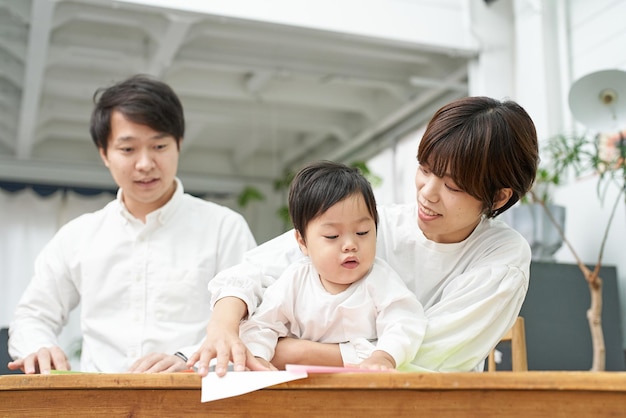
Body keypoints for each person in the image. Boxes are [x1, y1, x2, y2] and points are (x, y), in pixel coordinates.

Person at [189, 95, 539, 376]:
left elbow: (427, 355)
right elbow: (255, 270)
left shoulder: (501, 257)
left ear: (497, 197)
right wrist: (223, 327)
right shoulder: (372, 226)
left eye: (453, 186)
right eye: (425, 169)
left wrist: (287, 350)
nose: (427, 192)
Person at [7, 74, 257, 374]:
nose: (145, 164)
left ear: (179, 144)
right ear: (104, 153)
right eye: (128, 149)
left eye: (159, 146)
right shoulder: (78, 236)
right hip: (103, 404)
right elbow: (33, 315)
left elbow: (253, 321)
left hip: (193, 398)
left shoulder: (224, 228)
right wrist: (39, 347)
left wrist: (187, 359)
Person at [239, 161, 426, 370]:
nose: (350, 245)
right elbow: (260, 325)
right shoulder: (295, 280)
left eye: (362, 232)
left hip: (359, 387)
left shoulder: (379, 279)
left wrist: (384, 356)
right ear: (302, 242)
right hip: (302, 388)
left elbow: (404, 321)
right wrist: (259, 357)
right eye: (332, 236)